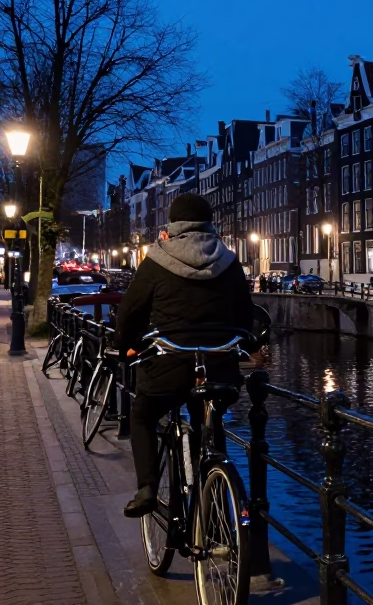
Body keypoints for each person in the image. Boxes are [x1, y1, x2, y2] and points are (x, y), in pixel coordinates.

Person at [115, 193, 253, 518]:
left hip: (169, 365)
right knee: (210, 419)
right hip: (218, 366)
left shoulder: (157, 260)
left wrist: (126, 346)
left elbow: (130, 313)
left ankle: (147, 488)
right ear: (210, 225)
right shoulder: (229, 261)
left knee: (143, 414)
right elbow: (245, 317)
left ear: (172, 226)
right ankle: (218, 512)